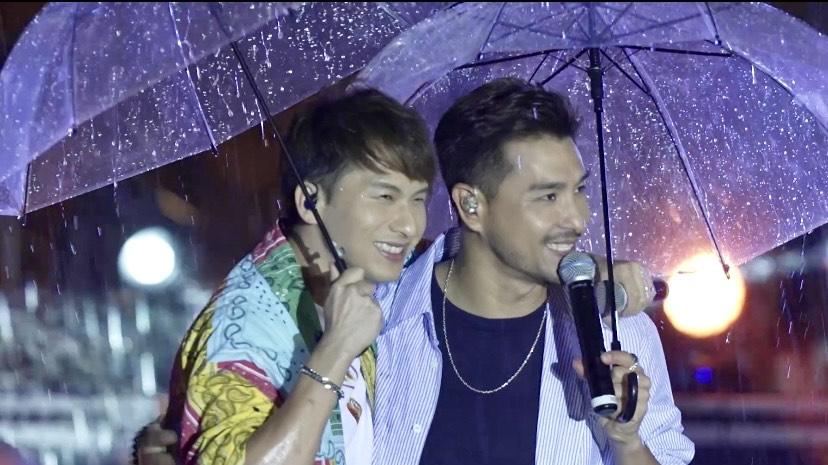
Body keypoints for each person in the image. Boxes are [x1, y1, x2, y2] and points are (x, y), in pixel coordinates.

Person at [134, 86, 659, 465]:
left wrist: (592, 271)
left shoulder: (380, 275)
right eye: (384, 197)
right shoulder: (262, 320)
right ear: (310, 201)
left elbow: (474, 253)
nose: (408, 225)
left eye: (416, 200)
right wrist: (336, 350)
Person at [370, 78, 694, 465]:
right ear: (471, 205)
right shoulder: (378, 319)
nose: (577, 219)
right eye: (548, 196)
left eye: (579, 190)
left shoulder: (618, 335)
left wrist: (627, 441)